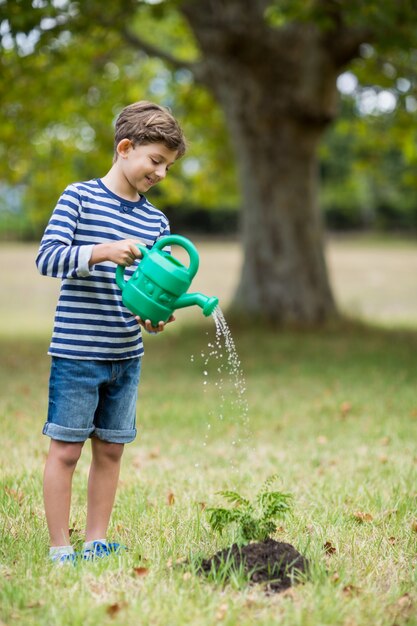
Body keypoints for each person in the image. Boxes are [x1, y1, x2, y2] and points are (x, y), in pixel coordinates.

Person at [36, 101, 186, 564]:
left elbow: (147, 290)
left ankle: (96, 540)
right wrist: (100, 251)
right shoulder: (79, 198)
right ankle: (61, 548)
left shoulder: (155, 221)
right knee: (65, 450)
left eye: (168, 166)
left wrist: (153, 316)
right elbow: (48, 257)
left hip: (126, 353)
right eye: (155, 160)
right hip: (78, 351)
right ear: (125, 148)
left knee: (111, 452)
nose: (160, 173)